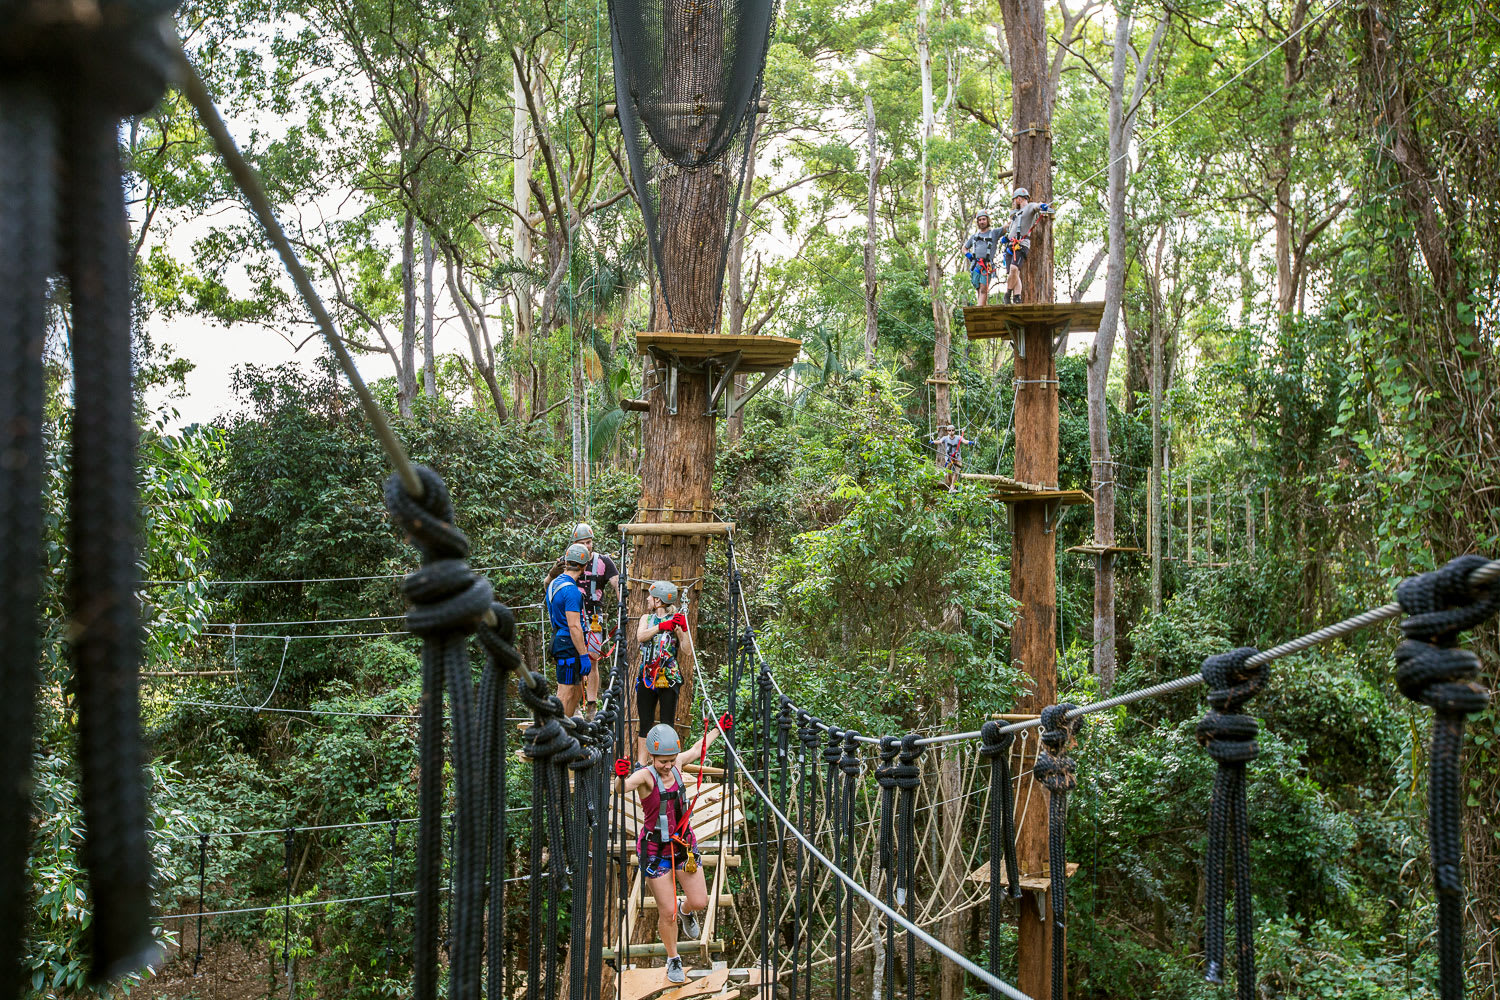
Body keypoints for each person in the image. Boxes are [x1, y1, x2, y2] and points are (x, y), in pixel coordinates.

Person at [614, 717, 731, 985]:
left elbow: (698, 748)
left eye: (671, 760)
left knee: (699, 901)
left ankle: (685, 909)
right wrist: (621, 775)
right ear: (652, 756)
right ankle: (673, 958)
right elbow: (622, 788)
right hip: (655, 850)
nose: (668, 766)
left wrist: (718, 728)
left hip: (683, 843)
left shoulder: (677, 765)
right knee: (666, 913)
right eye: (662, 761)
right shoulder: (645, 776)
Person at [635, 580, 695, 765]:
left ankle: (666, 763)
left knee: (667, 722)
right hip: (647, 676)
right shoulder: (647, 619)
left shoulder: (677, 619)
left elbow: (687, 650)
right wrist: (661, 627)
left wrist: (682, 630)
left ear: (658, 601)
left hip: (668, 677)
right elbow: (640, 637)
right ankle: (641, 764)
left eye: (651, 597)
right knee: (645, 721)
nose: (647, 599)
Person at [570, 522, 621, 716]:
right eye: (582, 543)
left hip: (593, 617)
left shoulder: (603, 561)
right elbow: (554, 582)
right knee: (575, 657)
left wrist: (622, 607)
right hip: (573, 614)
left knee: (592, 658)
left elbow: (616, 583)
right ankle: (575, 705)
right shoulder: (568, 560)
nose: (586, 546)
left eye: (589, 542)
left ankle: (591, 705)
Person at [545, 543, 592, 717]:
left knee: (577, 691)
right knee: (565, 692)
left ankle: (568, 725)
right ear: (584, 566)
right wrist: (583, 655)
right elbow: (574, 626)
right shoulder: (571, 591)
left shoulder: (554, 583)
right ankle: (558, 730)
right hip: (567, 643)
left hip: (560, 638)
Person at [998, 187, 1053, 305]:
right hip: (1011, 245)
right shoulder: (1016, 214)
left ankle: (1008, 293)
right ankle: (1017, 297)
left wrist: (1042, 206)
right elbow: (1013, 229)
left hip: (1021, 244)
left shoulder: (1029, 208)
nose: (1014, 203)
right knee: (1015, 273)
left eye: (1014, 200)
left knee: (1014, 269)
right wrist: (1007, 237)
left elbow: (1036, 206)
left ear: (1019, 199)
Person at [962, 211, 1000, 306]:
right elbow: (964, 248)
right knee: (979, 288)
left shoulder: (994, 233)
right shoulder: (974, 236)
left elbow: (1005, 228)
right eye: (980, 220)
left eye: (984, 219)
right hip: (976, 265)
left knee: (983, 288)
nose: (982, 222)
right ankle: (982, 307)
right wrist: (968, 255)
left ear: (987, 220)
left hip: (986, 265)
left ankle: (979, 309)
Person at [930, 423, 970, 490]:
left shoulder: (958, 437)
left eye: (952, 430)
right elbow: (939, 441)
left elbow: (964, 441)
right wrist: (933, 442)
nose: (951, 432)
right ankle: (952, 485)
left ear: (954, 431)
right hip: (949, 459)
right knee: (949, 474)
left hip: (957, 458)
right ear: (947, 431)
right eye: (949, 430)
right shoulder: (945, 438)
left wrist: (970, 442)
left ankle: (952, 487)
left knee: (956, 473)